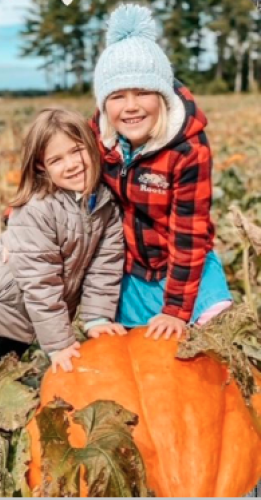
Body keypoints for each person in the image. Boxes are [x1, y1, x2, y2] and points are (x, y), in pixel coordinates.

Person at [0, 107, 125, 406]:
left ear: (92, 146)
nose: (72, 164)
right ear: (41, 167)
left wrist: (97, 317)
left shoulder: (106, 206)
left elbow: (105, 268)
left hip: (29, 321)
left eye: (77, 151)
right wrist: (60, 344)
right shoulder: (38, 209)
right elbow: (41, 283)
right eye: (56, 160)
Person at [90, 3, 232, 340]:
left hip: (181, 267)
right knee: (132, 347)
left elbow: (189, 233)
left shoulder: (187, 150)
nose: (131, 106)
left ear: (163, 97)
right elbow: (57, 178)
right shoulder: (98, 136)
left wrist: (176, 310)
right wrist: (17, 212)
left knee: (207, 348)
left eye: (142, 92)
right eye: (118, 96)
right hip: (130, 269)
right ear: (104, 104)